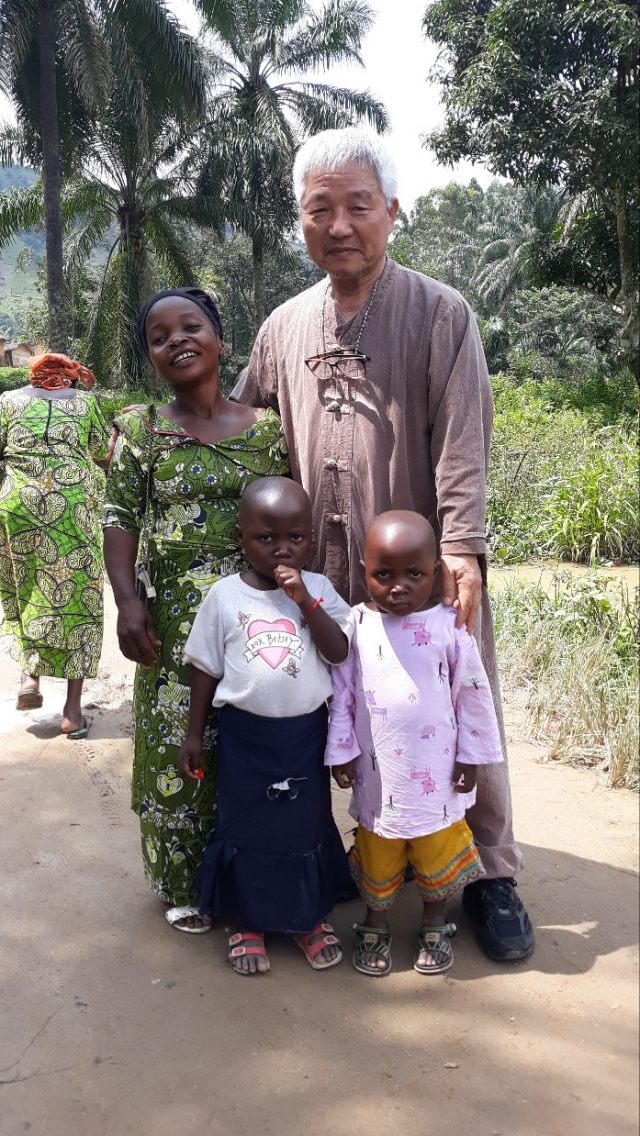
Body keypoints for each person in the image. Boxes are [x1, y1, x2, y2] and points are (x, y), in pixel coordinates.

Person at [232, 127, 534, 962]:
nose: (339, 225)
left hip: (418, 580)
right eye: (319, 209)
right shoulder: (283, 327)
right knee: (327, 728)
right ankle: (329, 867)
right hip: (320, 579)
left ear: (391, 213)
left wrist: (462, 550)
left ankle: (490, 878)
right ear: (300, 221)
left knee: (459, 712)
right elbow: (246, 433)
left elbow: (465, 441)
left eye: (358, 207)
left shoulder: (441, 313)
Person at [103, 288, 288, 934]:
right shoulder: (139, 431)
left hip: (257, 614)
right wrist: (128, 602)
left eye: (190, 327)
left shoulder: (269, 431)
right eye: (159, 337)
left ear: (219, 339)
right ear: (152, 357)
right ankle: (183, 881)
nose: (176, 340)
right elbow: (120, 519)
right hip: (175, 620)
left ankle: (261, 871)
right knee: (179, 743)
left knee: (254, 740)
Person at [178, 476, 354, 975]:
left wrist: (305, 602)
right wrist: (194, 735)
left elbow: (339, 652)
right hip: (244, 738)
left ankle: (307, 919)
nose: (282, 549)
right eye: (266, 537)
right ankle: (247, 922)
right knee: (247, 828)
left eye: (295, 538)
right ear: (241, 539)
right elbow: (206, 668)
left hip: (303, 736)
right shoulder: (224, 597)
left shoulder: (317, 588)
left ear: (311, 540)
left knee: (302, 828)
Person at [327, 511, 504, 976]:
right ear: (364, 569)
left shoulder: (448, 626)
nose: (398, 586)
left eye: (414, 574)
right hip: (378, 774)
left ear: (437, 573)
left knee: (434, 846)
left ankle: (434, 919)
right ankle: (376, 919)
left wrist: (471, 756)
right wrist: (341, 750)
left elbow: (471, 694)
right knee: (379, 844)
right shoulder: (358, 625)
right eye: (383, 574)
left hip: (438, 770)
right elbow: (342, 693)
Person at [0, 352, 110, 736]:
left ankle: (30, 678)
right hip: (72, 508)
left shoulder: (8, 402)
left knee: (27, 588)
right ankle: (72, 713)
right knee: (82, 597)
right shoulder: (85, 404)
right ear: (70, 378)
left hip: (17, 507)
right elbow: (101, 455)